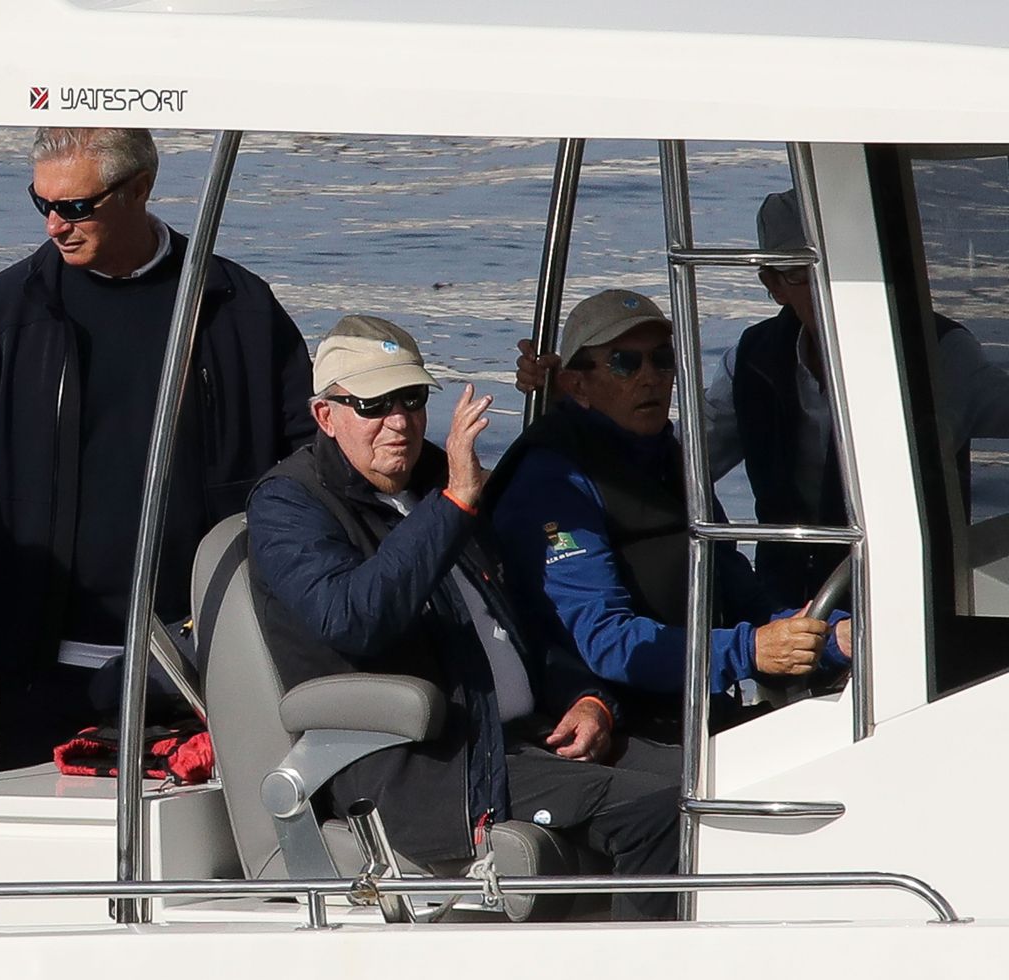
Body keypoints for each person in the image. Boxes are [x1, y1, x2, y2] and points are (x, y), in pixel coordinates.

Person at [246, 316, 678, 921]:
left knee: (715, 780)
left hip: (522, 735)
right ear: (326, 416)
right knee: (662, 808)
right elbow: (356, 618)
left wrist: (587, 696)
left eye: (412, 399)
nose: (399, 422)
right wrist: (451, 505)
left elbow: (521, 616)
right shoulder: (289, 503)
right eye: (374, 406)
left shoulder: (436, 476)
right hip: (418, 767)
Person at [0, 126, 315, 770]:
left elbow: (305, 475)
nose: (54, 225)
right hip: (42, 673)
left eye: (75, 207)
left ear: (140, 189)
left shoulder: (235, 306)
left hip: (206, 663)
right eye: (41, 203)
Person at [517, 190, 1009, 607]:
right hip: (786, 604)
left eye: (841, 266)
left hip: (914, 600)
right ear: (772, 285)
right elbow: (675, 467)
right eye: (802, 273)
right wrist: (573, 396)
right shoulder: (751, 361)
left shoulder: (942, 355)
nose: (827, 287)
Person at [488, 290, 850, 735]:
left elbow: (741, 594)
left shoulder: (674, 464)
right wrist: (748, 651)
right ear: (576, 384)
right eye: (625, 362)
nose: (650, 378)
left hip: (694, 708)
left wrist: (832, 636)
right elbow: (605, 640)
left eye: (662, 360)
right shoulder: (552, 482)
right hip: (609, 720)